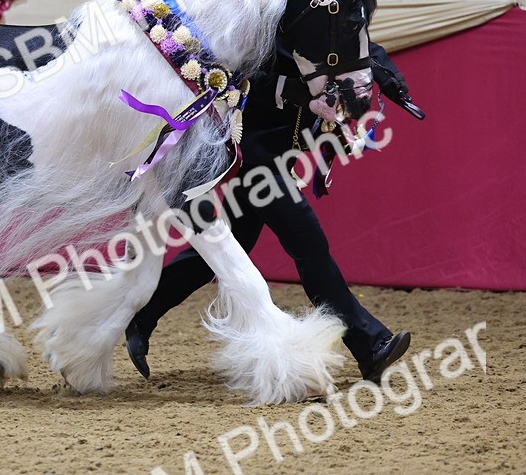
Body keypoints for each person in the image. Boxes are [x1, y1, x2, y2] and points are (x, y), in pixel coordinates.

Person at [125, 41, 425, 384]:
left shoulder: (316, 21)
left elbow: (357, 44)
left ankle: (142, 314)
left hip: (281, 155)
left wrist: (391, 81)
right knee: (309, 245)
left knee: (222, 252)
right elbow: (252, 82)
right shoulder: (272, 26)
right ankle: (369, 344)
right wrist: (305, 94)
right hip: (256, 159)